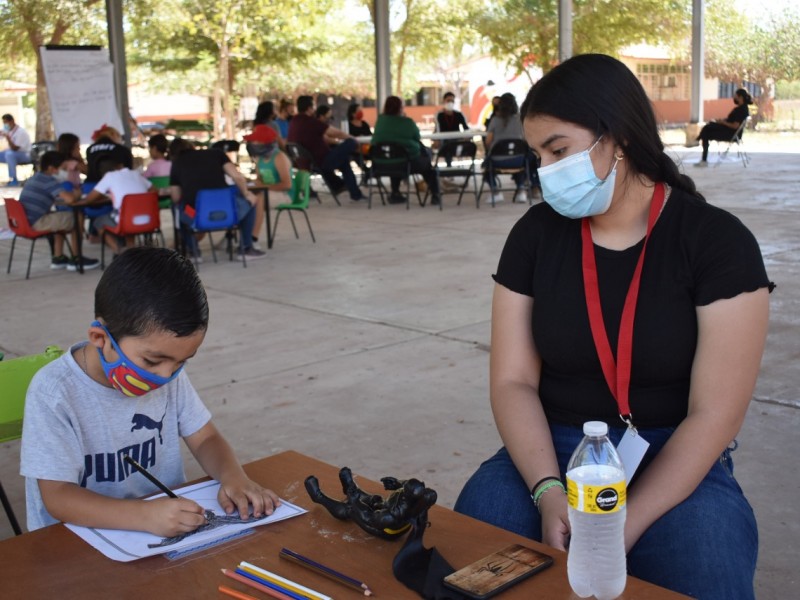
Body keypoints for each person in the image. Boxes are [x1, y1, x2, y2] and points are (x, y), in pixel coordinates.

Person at [453, 54, 771, 600]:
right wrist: (550, 490)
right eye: (537, 155)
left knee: (707, 563)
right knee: (472, 553)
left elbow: (715, 414)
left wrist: (625, 521)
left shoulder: (716, 242)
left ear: (617, 137)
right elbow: (512, 382)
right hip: (549, 447)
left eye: (558, 150)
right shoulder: (536, 236)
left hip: (670, 449)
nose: (545, 170)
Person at [20, 247, 281, 534]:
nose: (166, 375)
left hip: (158, 528)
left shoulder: (165, 375)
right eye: (153, 360)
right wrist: (144, 516)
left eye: (181, 361)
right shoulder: (55, 393)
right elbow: (58, 497)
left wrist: (233, 476)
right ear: (100, 338)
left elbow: (205, 437)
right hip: (75, 544)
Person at [169, 138, 265, 260]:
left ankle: (193, 252)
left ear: (173, 154)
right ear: (192, 146)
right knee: (251, 202)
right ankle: (246, 248)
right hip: (228, 213)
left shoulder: (177, 163)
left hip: (196, 215)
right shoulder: (216, 153)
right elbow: (237, 177)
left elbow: (176, 197)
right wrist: (246, 194)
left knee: (177, 207)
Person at [17, 151, 99, 271]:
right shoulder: (48, 180)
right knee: (77, 216)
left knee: (60, 218)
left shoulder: (37, 177)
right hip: (37, 222)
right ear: (51, 168)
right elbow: (70, 199)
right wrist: (77, 193)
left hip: (26, 221)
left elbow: (60, 197)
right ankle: (76, 258)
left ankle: (58, 257)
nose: (65, 171)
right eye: (63, 168)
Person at [287, 95, 364, 201]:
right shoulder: (310, 121)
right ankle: (351, 185)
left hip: (305, 161)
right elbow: (334, 133)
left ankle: (351, 192)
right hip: (322, 161)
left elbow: (324, 137)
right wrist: (352, 138)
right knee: (350, 143)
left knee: (344, 160)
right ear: (309, 108)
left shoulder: (294, 121)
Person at [371, 96, 441, 206]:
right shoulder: (407, 123)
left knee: (395, 158)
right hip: (406, 163)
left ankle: (395, 192)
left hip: (381, 164)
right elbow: (417, 136)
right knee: (427, 166)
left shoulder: (380, 121)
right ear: (400, 108)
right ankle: (435, 194)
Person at [84, 160, 154, 255]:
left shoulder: (109, 176)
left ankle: (119, 252)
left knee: (99, 222)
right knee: (128, 217)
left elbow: (89, 199)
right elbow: (154, 191)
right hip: (149, 220)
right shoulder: (136, 174)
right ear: (120, 165)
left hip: (126, 221)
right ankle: (131, 249)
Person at [482, 92, 539, 204]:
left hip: (497, 160)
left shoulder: (495, 120)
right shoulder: (521, 120)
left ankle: (496, 191)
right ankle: (522, 189)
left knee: (486, 167)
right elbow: (527, 139)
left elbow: (488, 142)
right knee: (525, 164)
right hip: (519, 159)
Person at [695, 88, 753, 167]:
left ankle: (703, 158)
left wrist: (723, 122)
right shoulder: (740, 108)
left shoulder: (742, 110)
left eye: (735, 96)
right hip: (727, 130)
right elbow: (731, 120)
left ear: (740, 97)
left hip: (731, 134)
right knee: (708, 126)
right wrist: (721, 121)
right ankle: (699, 139)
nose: (734, 98)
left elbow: (735, 126)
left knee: (706, 132)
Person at [435, 92, 469, 167]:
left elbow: (466, 128)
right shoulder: (439, 115)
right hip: (444, 142)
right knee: (447, 147)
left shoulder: (459, 114)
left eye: (452, 101)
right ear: (444, 101)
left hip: (457, 141)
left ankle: (459, 168)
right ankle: (449, 167)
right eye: (448, 100)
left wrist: (467, 136)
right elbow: (437, 129)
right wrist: (437, 140)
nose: (450, 103)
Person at [0, 113, 32, 186]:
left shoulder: (21, 132)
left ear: (12, 121)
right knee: (7, 154)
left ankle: (13, 179)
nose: (5, 124)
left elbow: (15, 148)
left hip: (24, 155)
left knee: (9, 154)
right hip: (12, 153)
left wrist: (8, 138)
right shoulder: (7, 129)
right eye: (4, 122)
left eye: (6, 122)